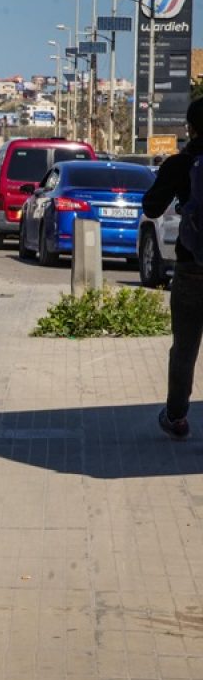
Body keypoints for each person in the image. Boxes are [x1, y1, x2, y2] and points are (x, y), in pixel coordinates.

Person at [142, 97, 203, 440]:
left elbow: (151, 207)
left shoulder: (181, 164)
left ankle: (177, 417)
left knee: (185, 347)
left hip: (191, 267)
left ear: (190, 128)